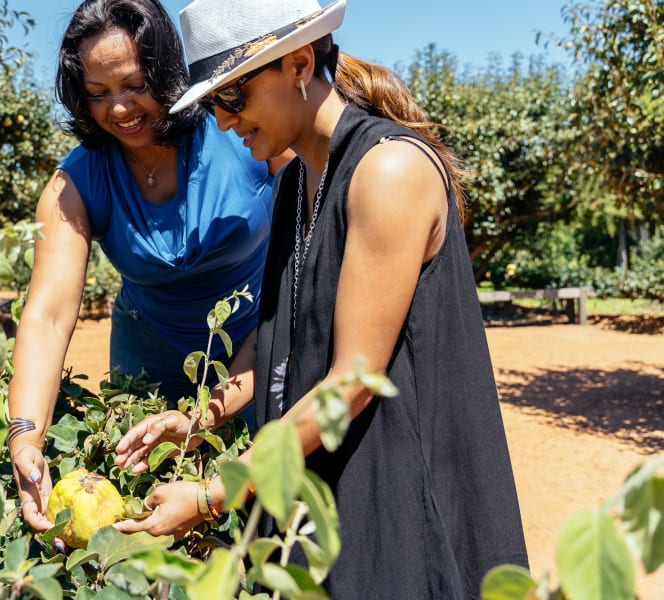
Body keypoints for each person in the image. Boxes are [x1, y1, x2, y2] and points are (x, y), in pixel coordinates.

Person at [112, 0, 529, 596]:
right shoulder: (293, 184)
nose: (225, 121)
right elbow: (278, 330)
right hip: (331, 498)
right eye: (213, 104)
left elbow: (353, 381)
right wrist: (201, 418)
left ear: (299, 63)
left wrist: (212, 494)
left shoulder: (387, 171)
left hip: (400, 495)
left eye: (233, 96)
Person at [7, 0, 289, 536]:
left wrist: (217, 407)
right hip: (149, 359)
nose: (119, 109)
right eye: (98, 94)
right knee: (152, 513)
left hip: (259, 343)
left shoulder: (242, 132)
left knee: (255, 513)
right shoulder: (76, 183)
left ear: (166, 72)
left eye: (135, 84)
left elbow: (307, 256)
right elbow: (47, 315)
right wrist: (26, 436)